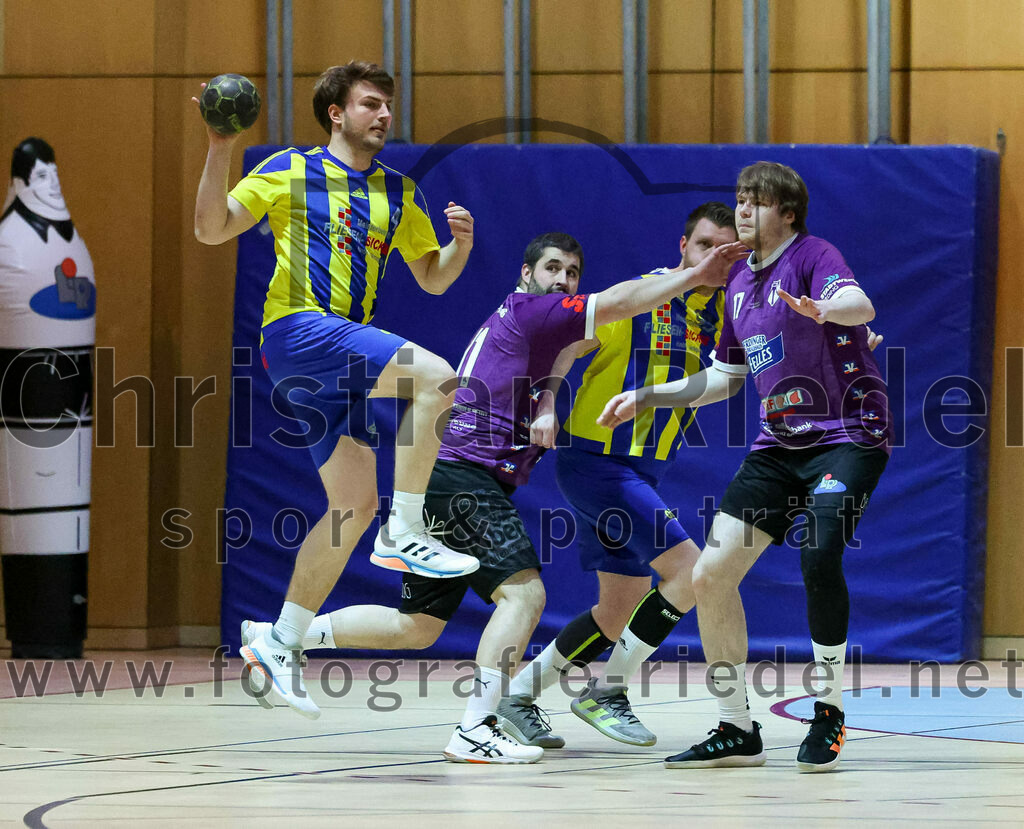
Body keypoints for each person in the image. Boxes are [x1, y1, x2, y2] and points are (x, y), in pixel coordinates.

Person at [244, 231, 747, 762]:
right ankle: (476, 728)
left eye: (573, 273)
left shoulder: (534, 321)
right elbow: (619, 302)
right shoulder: (535, 311)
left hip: (450, 475)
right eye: (553, 268)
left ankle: (280, 638)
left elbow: (567, 351)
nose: (564, 280)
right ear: (527, 274)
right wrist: (696, 275)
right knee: (525, 597)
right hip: (466, 475)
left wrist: (548, 401)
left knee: (414, 628)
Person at [193, 61, 481, 720]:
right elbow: (211, 228)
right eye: (370, 104)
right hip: (299, 331)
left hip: (338, 350)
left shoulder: (397, 191)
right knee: (438, 378)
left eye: (387, 106)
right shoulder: (290, 171)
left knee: (352, 502)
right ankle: (406, 530)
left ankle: (281, 641)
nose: (383, 116)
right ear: (335, 112)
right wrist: (219, 148)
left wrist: (459, 247)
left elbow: (432, 277)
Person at [599, 161, 892, 772]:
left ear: (786, 212)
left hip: (847, 438)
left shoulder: (813, 254)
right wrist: (650, 395)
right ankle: (736, 726)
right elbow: (727, 377)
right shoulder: (736, 285)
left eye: (755, 202)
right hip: (776, 449)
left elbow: (860, 305)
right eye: (738, 200)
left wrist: (827, 311)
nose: (742, 211)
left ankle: (830, 710)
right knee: (710, 576)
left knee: (819, 551)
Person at [496, 202, 739, 750]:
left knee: (616, 609)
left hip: (639, 469)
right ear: (684, 248)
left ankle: (517, 697)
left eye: (730, 250)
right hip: (595, 462)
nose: (717, 258)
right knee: (692, 574)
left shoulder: (729, 313)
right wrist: (546, 404)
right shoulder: (642, 297)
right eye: (706, 246)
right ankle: (608, 693)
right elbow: (565, 347)